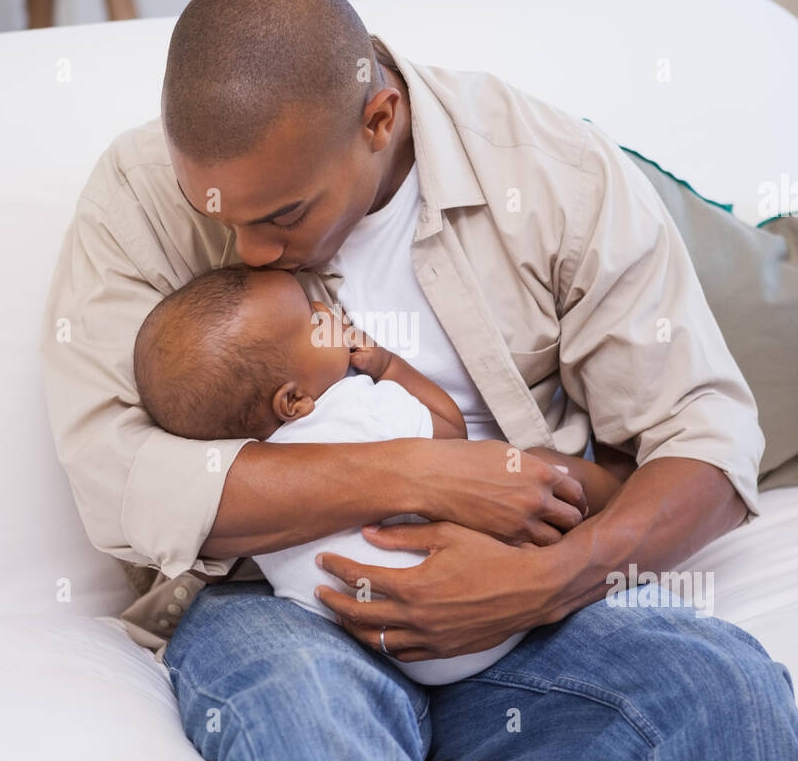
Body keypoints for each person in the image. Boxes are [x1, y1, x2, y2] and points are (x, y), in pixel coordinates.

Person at [42, 0, 798, 761]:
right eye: (219, 218)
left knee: (723, 686)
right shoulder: (135, 193)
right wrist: (423, 473)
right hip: (274, 599)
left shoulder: (548, 167)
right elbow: (115, 478)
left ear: (378, 117)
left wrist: (536, 581)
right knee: (313, 729)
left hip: (521, 591)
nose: (243, 250)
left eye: (281, 215)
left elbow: (703, 441)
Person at [131, 263, 622, 685]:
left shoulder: (253, 482)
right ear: (292, 400)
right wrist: (391, 367)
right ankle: (615, 496)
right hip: (486, 615)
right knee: (541, 463)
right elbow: (449, 434)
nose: (326, 313)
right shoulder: (352, 406)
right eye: (312, 319)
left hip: (394, 651)